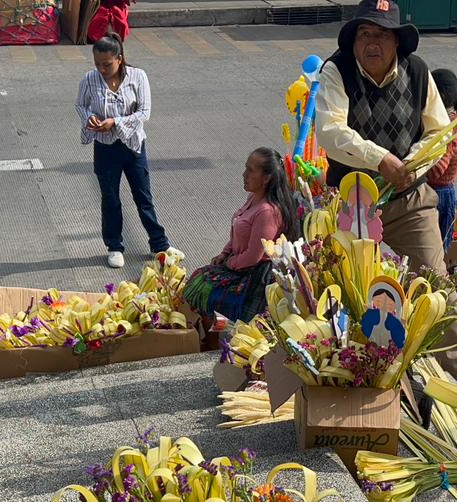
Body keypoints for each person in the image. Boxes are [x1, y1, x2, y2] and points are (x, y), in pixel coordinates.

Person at [316, 0, 457, 388]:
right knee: (347, 292)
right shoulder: (336, 71)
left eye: (382, 35)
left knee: (434, 283)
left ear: (396, 42)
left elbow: (440, 132)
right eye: (364, 34)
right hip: (353, 202)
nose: (372, 43)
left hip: (409, 201)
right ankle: (349, 376)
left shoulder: (418, 72)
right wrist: (380, 159)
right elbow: (329, 131)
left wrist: (415, 167)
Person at [76, 33, 174, 269]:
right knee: (110, 199)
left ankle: (160, 244)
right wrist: (90, 119)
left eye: (107, 64)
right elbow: (80, 104)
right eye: (97, 64)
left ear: (119, 59)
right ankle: (115, 246)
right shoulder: (89, 79)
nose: (102, 69)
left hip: (133, 146)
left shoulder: (138, 76)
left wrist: (115, 123)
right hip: (105, 148)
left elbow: (144, 112)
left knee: (143, 197)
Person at [183, 148, 297, 322]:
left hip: (253, 275)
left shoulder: (268, 212)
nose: (244, 174)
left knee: (202, 290)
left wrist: (229, 263)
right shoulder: (254, 197)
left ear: (266, 178)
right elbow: (237, 229)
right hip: (238, 264)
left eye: (251, 170)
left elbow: (253, 256)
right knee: (198, 279)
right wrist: (224, 253)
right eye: (246, 168)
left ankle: (215, 334)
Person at [426, 69, 457, 251]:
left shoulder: (451, 126)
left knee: (434, 253)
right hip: (437, 192)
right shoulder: (447, 119)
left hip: (439, 195)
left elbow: (438, 169)